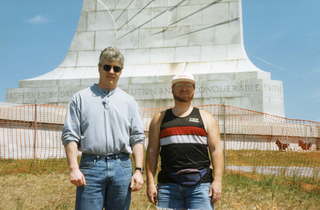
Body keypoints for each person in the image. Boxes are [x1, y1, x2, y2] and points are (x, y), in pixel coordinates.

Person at [61, 47, 145, 210]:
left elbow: (137, 138)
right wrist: (73, 168)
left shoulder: (129, 101)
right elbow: (70, 135)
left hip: (122, 166)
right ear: (99, 67)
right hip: (91, 166)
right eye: (107, 67)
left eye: (116, 68)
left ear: (121, 71)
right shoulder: (80, 98)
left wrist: (138, 170)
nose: (111, 71)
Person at [146, 73, 224, 210]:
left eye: (188, 85)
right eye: (179, 85)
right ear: (172, 89)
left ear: (194, 89)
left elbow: (216, 150)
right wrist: (150, 183)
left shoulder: (206, 118)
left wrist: (217, 181)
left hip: (200, 187)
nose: (184, 89)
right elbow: (152, 152)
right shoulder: (159, 119)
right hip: (168, 187)